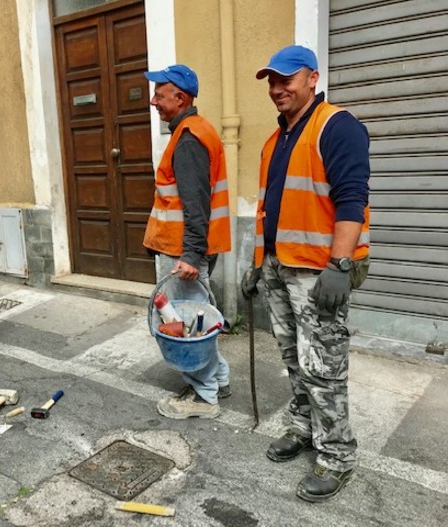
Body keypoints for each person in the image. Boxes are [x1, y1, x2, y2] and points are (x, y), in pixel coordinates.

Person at [242, 45, 370, 502]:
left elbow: (352, 198)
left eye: (286, 79)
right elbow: (268, 209)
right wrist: (257, 264)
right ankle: (304, 429)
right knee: (294, 359)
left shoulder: (336, 126)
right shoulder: (275, 141)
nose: (277, 89)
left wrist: (340, 264)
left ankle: (337, 456)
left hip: (318, 273)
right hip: (279, 266)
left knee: (324, 367)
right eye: (271, 82)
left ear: (312, 78)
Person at [143, 64, 232, 420]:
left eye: (160, 95)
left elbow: (196, 205)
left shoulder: (189, 139)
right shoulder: (194, 131)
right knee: (199, 320)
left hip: (186, 254)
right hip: (189, 250)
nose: (153, 101)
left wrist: (192, 255)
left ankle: (205, 396)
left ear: (180, 98)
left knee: (187, 329)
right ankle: (217, 379)